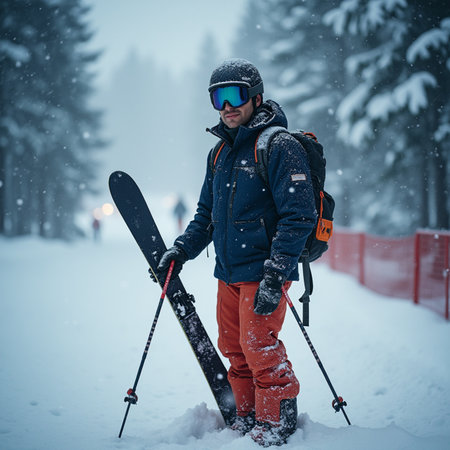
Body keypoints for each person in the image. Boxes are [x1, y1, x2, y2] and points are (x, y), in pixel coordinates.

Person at [153, 59, 316, 446]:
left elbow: (300, 216)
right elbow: (206, 217)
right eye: (217, 97)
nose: (226, 106)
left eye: (234, 95)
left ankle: (276, 423)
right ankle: (246, 417)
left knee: (260, 349)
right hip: (228, 271)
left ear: (255, 97)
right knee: (234, 349)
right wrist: (182, 250)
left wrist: (277, 273)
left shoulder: (278, 146)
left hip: (264, 272)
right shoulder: (219, 155)